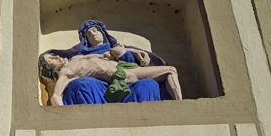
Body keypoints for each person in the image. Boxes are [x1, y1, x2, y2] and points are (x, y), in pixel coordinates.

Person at [39, 51, 182, 106]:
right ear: (51, 67)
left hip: (126, 69)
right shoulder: (66, 72)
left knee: (171, 71)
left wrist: (135, 52)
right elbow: (56, 97)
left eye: (53, 55)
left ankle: (180, 106)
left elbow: (106, 54)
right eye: (51, 59)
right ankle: (179, 106)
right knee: (170, 71)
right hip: (126, 77)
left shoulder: (76, 58)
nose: (56, 57)